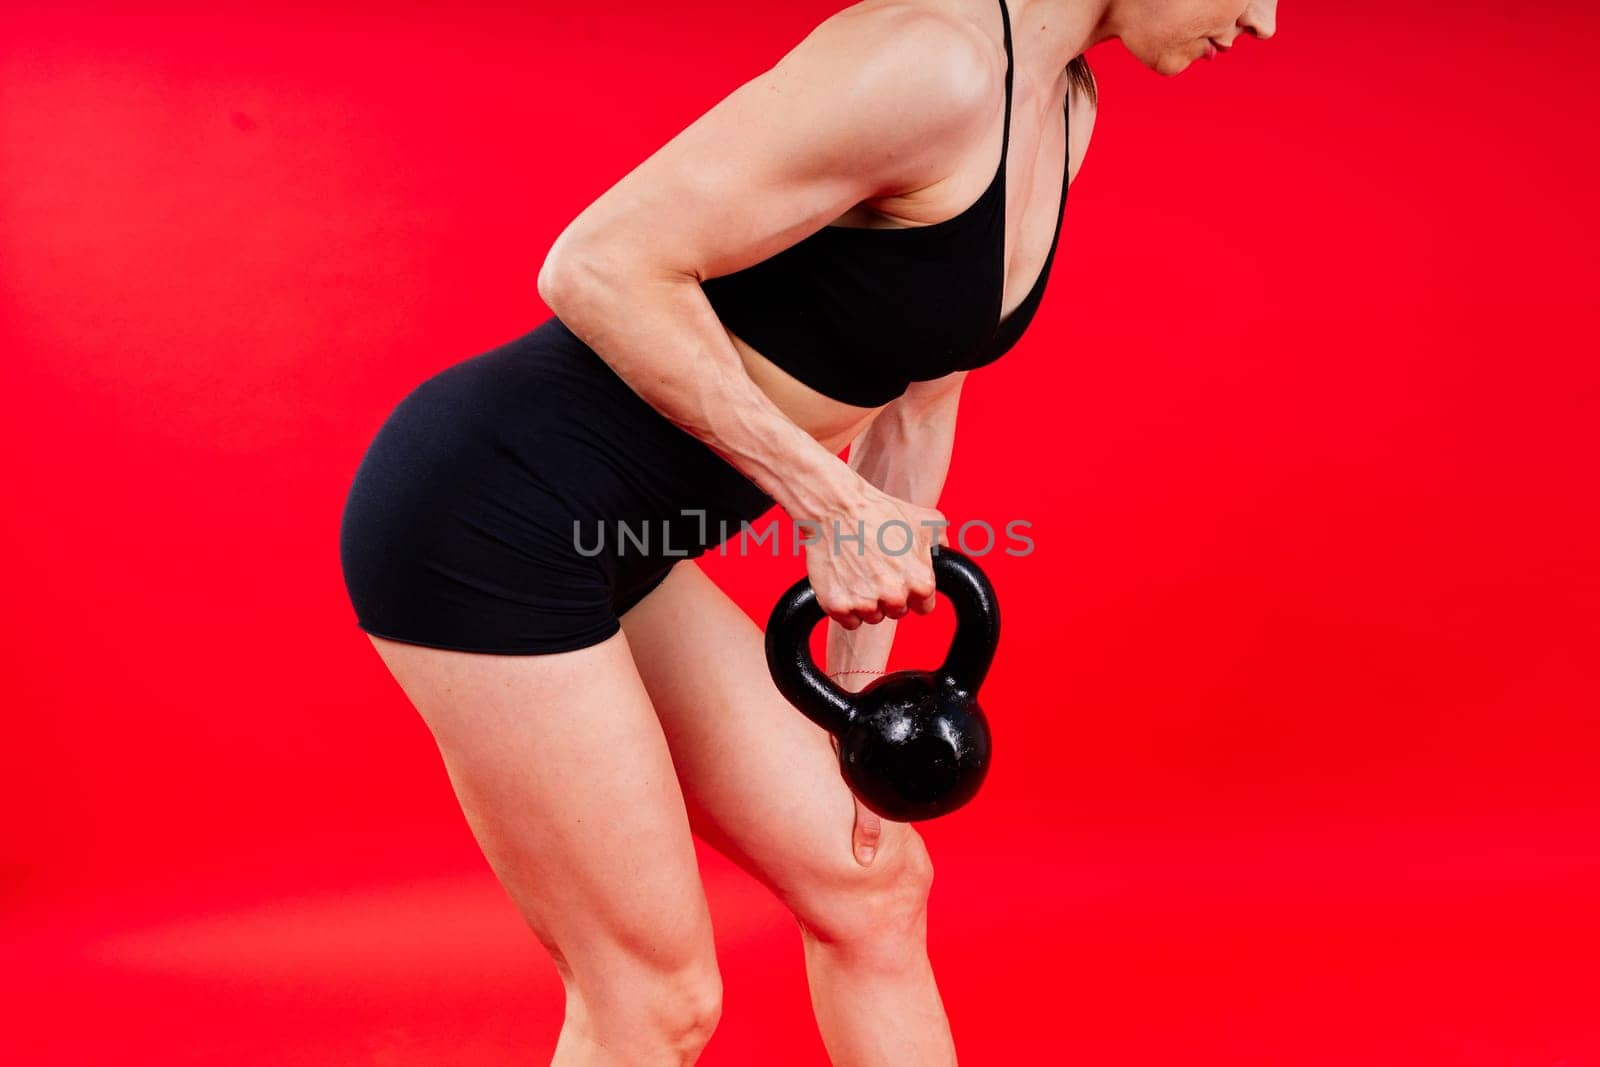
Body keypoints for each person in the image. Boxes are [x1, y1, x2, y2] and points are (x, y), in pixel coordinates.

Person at [338, 0, 1278, 1062]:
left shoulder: (1062, 106)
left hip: (619, 540)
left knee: (870, 881)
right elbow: (596, 264)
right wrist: (822, 502)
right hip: (490, 513)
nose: (1266, 21)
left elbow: (919, 402)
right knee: (654, 1000)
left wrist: (854, 705)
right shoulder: (926, 59)